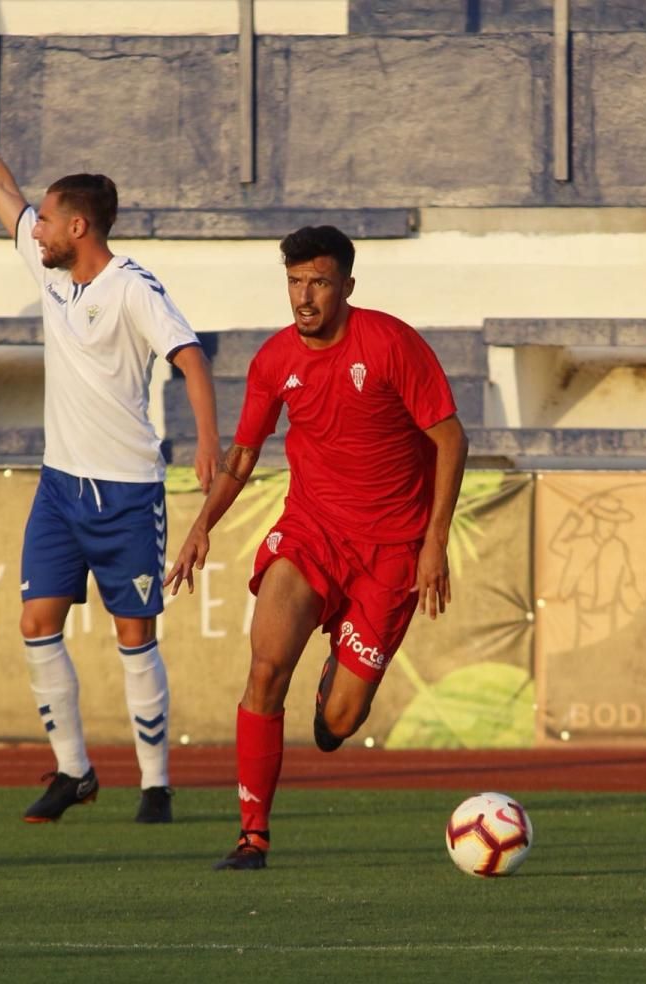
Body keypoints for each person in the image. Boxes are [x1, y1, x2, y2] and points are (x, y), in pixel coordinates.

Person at [0, 43, 221, 825]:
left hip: (126, 490)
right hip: (60, 486)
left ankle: (155, 784)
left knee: (133, 635)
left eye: (48, 218)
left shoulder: (132, 288)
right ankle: (74, 771)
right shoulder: (53, 273)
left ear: (78, 225)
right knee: (36, 623)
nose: (35, 226)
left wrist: (206, 443)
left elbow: (190, 358)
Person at [166, 225, 468, 870]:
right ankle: (253, 836)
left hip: (392, 549)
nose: (304, 297)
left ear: (347, 287)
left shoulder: (390, 344)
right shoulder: (274, 360)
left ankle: (339, 676)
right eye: (295, 282)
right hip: (311, 534)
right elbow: (244, 454)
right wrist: (202, 525)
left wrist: (434, 541)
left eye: (319, 283)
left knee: (338, 723)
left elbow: (450, 438)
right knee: (265, 666)